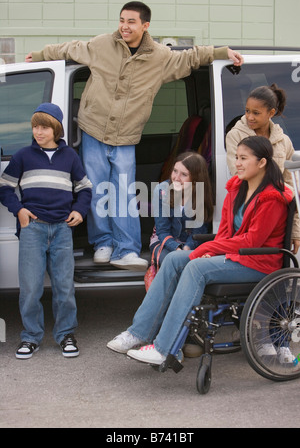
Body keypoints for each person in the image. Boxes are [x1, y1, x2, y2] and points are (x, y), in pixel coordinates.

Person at [25, 1, 243, 271]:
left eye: (131, 22)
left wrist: (223, 51)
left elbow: (191, 57)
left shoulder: (160, 57)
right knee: (96, 189)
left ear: (145, 26)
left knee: (124, 193)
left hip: (126, 136)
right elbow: (69, 48)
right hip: (93, 129)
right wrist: (39, 54)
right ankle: (103, 243)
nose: (124, 26)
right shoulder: (102, 44)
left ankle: (125, 249)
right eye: (121, 20)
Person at [107, 136, 294, 366]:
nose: (237, 163)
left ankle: (163, 348)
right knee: (175, 258)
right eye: (237, 157)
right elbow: (225, 232)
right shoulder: (236, 188)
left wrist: (208, 249)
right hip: (234, 257)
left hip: (257, 263)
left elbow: (252, 240)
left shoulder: (272, 198)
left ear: (262, 162)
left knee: (196, 267)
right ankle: (138, 333)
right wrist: (213, 251)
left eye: (244, 159)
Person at [0, 103, 92, 359]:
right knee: (30, 288)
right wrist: (19, 210)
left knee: (64, 287)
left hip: (62, 229)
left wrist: (80, 211)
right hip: (33, 229)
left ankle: (66, 335)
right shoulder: (22, 157)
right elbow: (4, 187)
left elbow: (85, 188)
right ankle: (31, 337)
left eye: (43, 127)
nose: (38, 132)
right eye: (35, 127)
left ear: (56, 129)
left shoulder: (70, 157)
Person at [226, 83, 300, 253]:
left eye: (256, 113)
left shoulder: (284, 141)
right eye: (247, 111)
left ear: (271, 113)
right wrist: (281, 188)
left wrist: (295, 230)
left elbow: (293, 188)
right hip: (250, 213)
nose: (249, 117)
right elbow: (238, 176)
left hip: (278, 218)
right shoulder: (235, 135)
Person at [149, 151, 213, 266]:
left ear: (195, 178)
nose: (176, 178)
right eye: (175, 171)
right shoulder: (162, 190)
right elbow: (162, 231)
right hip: (164, 241)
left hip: (191, 243)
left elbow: (198, 232)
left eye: (184, 174)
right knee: (171, 262)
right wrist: (177, 250)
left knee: (190, 264)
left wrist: (186, 249)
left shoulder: (201, 194)